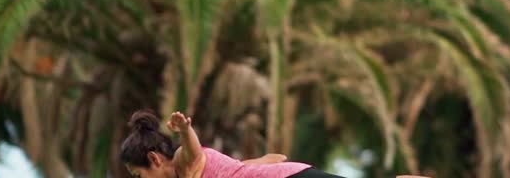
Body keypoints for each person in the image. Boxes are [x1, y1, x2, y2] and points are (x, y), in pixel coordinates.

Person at [120, 110, 345, 177]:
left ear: (154, 159)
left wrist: (186, 131)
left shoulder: (182, 162)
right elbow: (241, 168)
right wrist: (265, 161)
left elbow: (193, 152)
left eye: (139, 176)